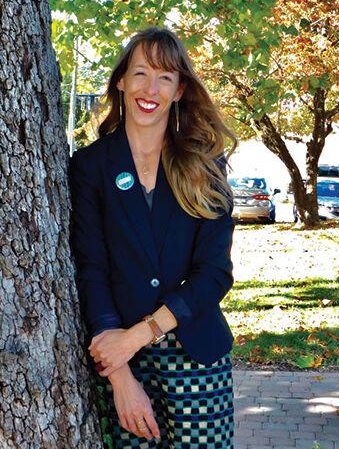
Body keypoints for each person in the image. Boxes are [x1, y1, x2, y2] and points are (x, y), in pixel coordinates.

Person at [69, 27, 237, 449]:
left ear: (180, 90)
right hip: (124, 361)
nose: (151, 88)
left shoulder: (206, 165)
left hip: (196, 353)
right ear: (121, 81)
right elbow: (91, 270)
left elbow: (215, 274)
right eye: (141, 73)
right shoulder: (89, 166)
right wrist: (120, 374)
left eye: (165, 78)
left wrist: (141, 334)